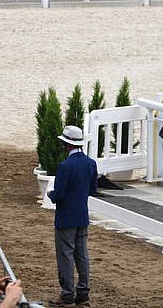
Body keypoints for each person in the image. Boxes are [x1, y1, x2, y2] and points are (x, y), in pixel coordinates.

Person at [47, 126, 98, 307]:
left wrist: (51, 194)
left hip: (66, 217)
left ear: (67, 144)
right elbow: (93, 189)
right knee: (82, 254)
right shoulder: (91, 163)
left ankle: (67, 293)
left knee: (66, 255)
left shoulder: (65, 166)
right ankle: (83, 292)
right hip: (82, 216)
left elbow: (59, 195)